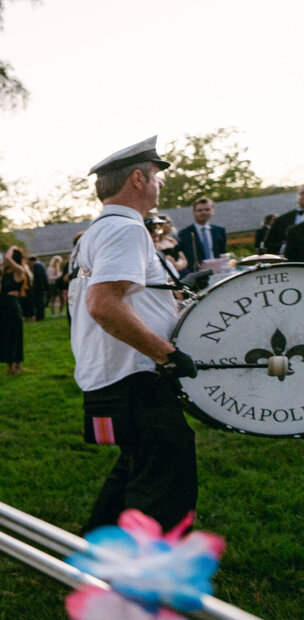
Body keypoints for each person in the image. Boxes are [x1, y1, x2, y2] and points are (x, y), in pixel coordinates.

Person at [68, 136, 198, 533]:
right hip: (135, 377)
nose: (160, 183)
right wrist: (165, 354)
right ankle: (148, 567)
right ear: (138, 179)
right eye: (156, 176)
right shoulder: (125, 230)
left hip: (113, 378)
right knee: (165, 480)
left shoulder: (99, 231)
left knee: (137, 465)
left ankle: (92, 553)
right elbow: (103, 303)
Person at [0, 247, 30, 375]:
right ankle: (10, 365)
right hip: (3, 305)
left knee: (15, 335)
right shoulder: (5, 272)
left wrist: (13, 247)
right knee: (6, 336)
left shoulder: (19, 270)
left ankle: (17, 364)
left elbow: (7, 258)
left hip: (12, 306)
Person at [177, 197, 227, 272]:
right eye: (199, 210)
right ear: (193, 212)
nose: (203, 213)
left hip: (217, 272)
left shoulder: (220, 231)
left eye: (207, 209)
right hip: (196, 274)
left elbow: (223, 254)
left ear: (212, 211)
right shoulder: (184, 234)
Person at [265, 185, 304, 255]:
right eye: (302, 193)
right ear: (297, 196)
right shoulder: (280, 221)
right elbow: (268, 245)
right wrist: (284, 247)